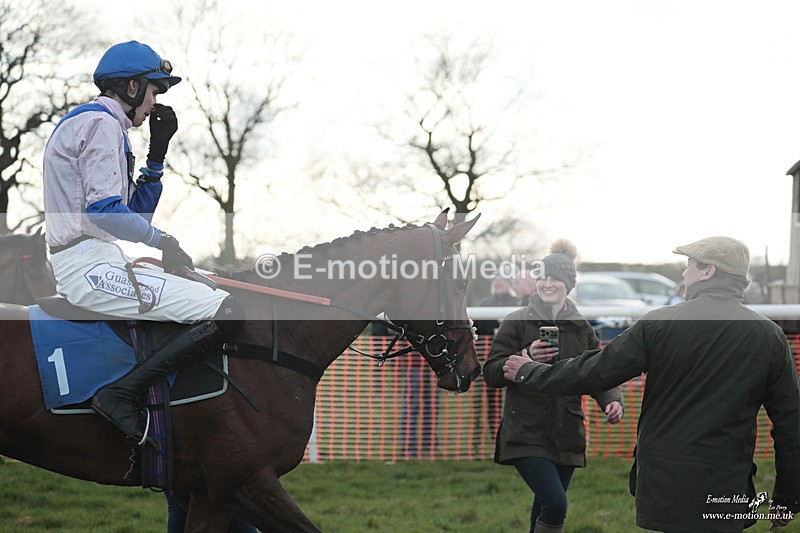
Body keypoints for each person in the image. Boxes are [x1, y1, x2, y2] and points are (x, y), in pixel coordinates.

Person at [502, 236, 800, 533]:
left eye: (689, 266)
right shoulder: (769, 337)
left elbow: (594, 372)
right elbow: (791, 426)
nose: (684, 274)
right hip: (727, 491)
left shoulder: (658, 323)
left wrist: (530, 372)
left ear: (708, 272)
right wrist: (787, 498)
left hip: (665, 486)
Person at [42, 40, 245, 445]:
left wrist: (157, 155)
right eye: (154, 90)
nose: (155, 103)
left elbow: (135, 213)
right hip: (89, 268)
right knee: (227, 309)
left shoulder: (107, 126)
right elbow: (108, 213)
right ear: (132, 88)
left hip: (100, 259)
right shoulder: (100, 123)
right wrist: (163, 241)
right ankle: (120, 395)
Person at [484, 239, 624, 533]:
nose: (547, 284)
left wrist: (612, 400)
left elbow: (598, 373)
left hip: (567, 432)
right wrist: (527, 357)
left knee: (545, 506)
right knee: (556, 505)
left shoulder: (582, 328)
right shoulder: (516, 322)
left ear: (568, 284)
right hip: (525, 431)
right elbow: (491, 373)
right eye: (542, 278)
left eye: (555, 279)